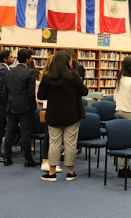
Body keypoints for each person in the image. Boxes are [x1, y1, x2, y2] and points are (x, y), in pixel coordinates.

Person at [37, 50, 88, 181]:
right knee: (71, 143)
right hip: (72, 114)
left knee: (54, 143)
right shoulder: (73, 76)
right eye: (70, 60)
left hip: (54, 114)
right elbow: (84, 91)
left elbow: (41, 95)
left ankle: (52, 172)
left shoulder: (48, 77)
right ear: (67, 62)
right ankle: (70, 172)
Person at [3, 49, 40, 168]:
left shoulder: (9, 72)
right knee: (25, 133)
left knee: (9, 132)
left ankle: (7, 158)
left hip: (11, 107)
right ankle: (28, 159)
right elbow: (31, 94)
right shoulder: (30, 73)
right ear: (28, 59)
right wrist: (33, 107)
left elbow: (5, 91)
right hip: (25, 108)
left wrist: (7, 105)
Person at [0, 49, 14, 162]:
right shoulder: (3, 70)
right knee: (0, 129)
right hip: (2, 104)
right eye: (11, 57)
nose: (13, 58)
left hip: (3, 104)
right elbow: (2, 89)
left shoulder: (6, 69)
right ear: (5, 59)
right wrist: (6, 103)